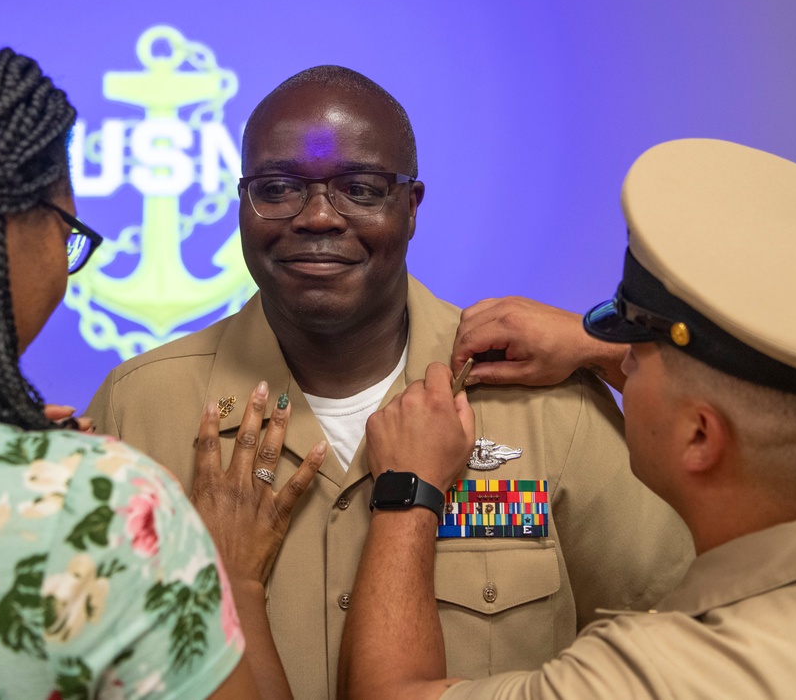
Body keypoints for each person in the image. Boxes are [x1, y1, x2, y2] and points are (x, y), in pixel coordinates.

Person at [86, 65, 693, 698]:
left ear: (411, 207)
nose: (318, 216)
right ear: (241, 204)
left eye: (362, 188)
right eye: (278, 186)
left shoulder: (546, 403)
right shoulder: (138, 411)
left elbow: (676, 636)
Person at [0, 33, 320, 699]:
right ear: (3, 227)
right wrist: (231, 574)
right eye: (67, 232)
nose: (64, 262)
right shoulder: (99, 506)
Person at [339, 137, 796, 699]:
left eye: (635, 361)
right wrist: (589, 342)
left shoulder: (659, 676)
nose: (619, 369)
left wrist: (409, 489)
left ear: (699, 436)